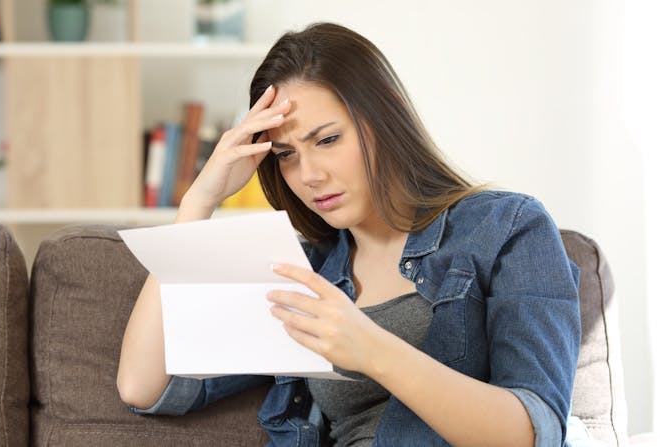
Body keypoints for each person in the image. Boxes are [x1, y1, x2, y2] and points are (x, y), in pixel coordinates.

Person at [117, 22, 582, 447]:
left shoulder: (506, 229)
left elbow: (533, 433)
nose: (309, 175)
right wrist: (199, 201)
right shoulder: (302, 268)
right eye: (285, 154)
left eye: (327, 140)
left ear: (387, 116)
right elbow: (143, 386)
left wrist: (373, 349)